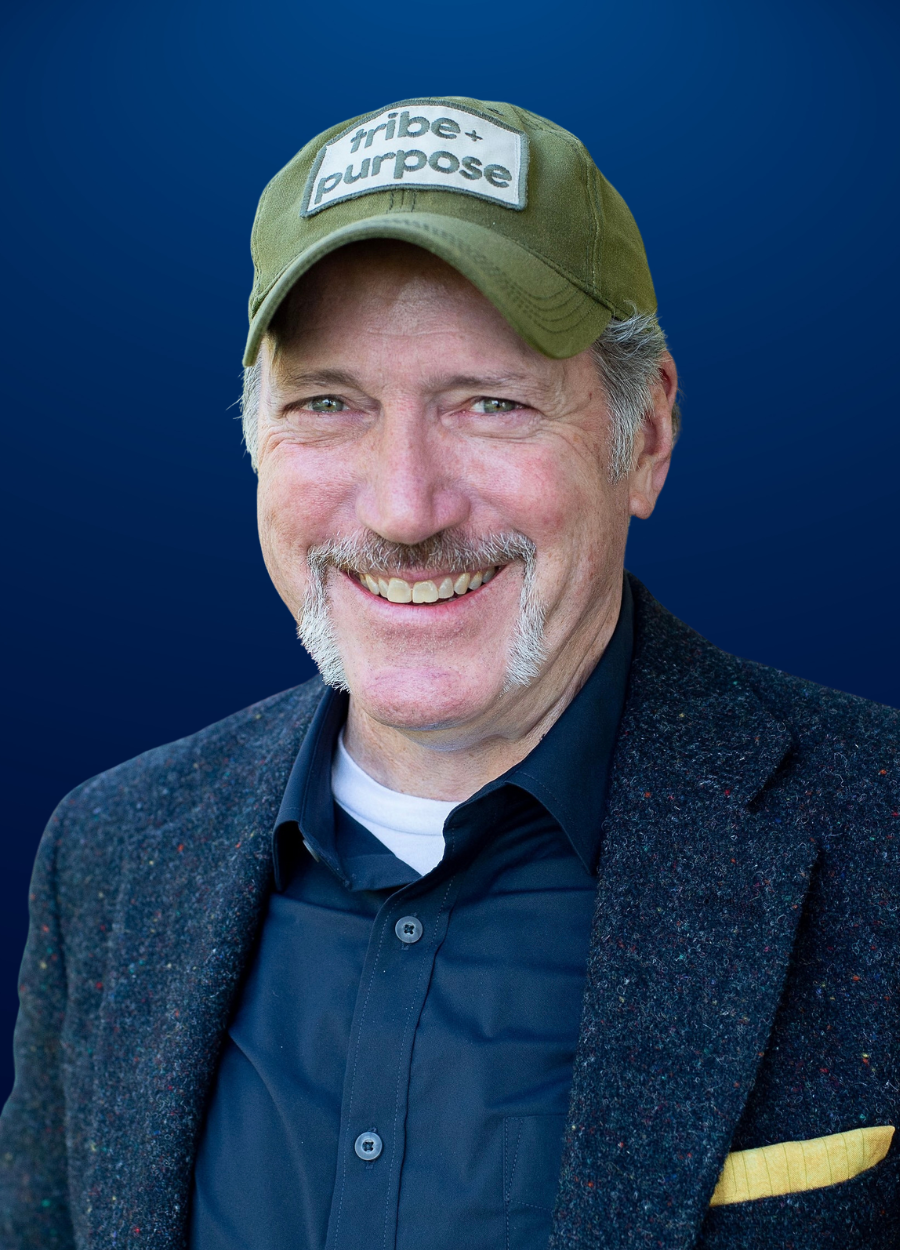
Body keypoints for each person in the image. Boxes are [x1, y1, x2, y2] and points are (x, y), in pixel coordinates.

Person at [1, 95, 897, 1250]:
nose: (406, 508)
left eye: (490, 402)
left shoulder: (876, 828)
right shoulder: (112, 853)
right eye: (329, 403)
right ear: (255, 436)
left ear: (649, 435)